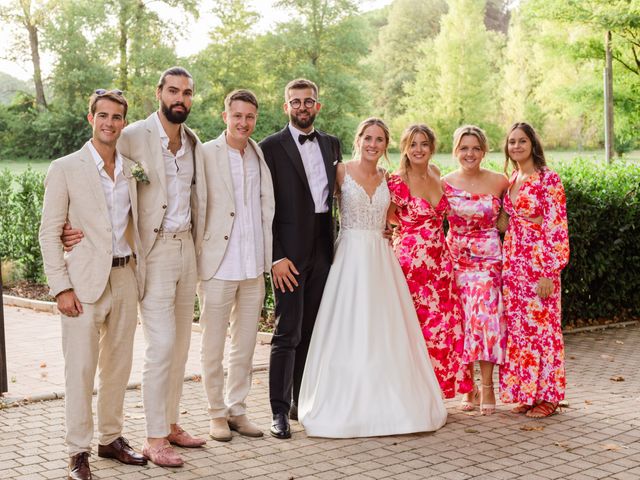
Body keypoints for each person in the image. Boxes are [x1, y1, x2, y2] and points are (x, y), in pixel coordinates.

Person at [62, 67, 208, 467]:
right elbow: (87, 178)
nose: (180, 97)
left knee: (177, 347)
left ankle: (164, 424)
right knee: (158, 347)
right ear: (159, 92)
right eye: (173, 90)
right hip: (150, 252)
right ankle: (149, 437)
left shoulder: (192, 141)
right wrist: (67, 242)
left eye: (187, 92)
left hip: (176, 253)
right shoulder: (132, 137)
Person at [298, 118, 447, 438]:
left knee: (385, 329)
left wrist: (392, 227)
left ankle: (393, 399)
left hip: (381, 258)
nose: (373, 144)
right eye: (368, 138)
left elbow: (400, 214)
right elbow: (316, 210)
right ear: (359, 139)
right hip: (349, 257)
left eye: (380, 140)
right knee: (348, 326)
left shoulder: (389, 179)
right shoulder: (340, 171)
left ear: (386, 145)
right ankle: (344, 397)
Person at [39, 90, 147, 480]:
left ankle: (111, 439)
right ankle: (77, 452)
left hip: (124, 279)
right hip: (82, 285)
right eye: (103, 115)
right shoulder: (65, 167)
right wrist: (60, 287)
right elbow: (49, 233)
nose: (110, 123)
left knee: (118, 369)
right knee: (80, 372)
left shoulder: (133, 169)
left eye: (117, 117)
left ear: (123, 122)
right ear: (91, 118)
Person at [260, 78, 341, 439]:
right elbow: (264, 208)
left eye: (308, 101)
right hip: (289, 254)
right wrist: (276, 256)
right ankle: (277, 410)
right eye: (296, 102)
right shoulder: (269, 148)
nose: (302, 107)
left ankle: (299, 402)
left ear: (317, 106)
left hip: (324, 249)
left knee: (312, 330)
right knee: (286, 330)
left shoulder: (332, 144)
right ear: (286, 107)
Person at [197, 89, 274, 442]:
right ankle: (215, 413)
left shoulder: (258, 154)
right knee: (213, 345)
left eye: (250, 117)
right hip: (217, 266)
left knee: (244, 345)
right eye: (237, 115)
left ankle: (237, 409)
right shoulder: (207, 154)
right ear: (225, 115)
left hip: (252, 265)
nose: (244, 122)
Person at [388, 124, 473, 399]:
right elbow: (387, 217)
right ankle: (413, 392)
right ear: (405, 148)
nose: (418, 150)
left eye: (424, 144)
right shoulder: (397, 181)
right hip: (412, 266)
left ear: (432, 147)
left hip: (441, 264)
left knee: (442, 327)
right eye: (413, 144)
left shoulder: (437, 174)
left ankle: (436, 390)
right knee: (417, 327)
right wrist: (408, 232)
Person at [498, 122, 569, 418]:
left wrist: (549, 273)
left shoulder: (548, 180)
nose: (516, 146)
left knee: (543, 330)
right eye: (512, 142)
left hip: (539, 265)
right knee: (520, 331)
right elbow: (505, 223)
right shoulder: (512, 178)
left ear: (533, 144)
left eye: (522, 141)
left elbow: (556, 227)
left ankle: (549, 397)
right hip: (513, 266)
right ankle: (528, 392)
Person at [442, 125, 509, 415]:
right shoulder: (444, 182)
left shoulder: (500, 181)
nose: (470, 153)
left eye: (475, 148)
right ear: (456, 150)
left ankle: (488, 386)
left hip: (489, 260)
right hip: (455, 258)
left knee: (485, 320)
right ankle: (467, 387)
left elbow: (511, 219)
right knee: (462, 321)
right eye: (464, 148)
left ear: (483, 151)